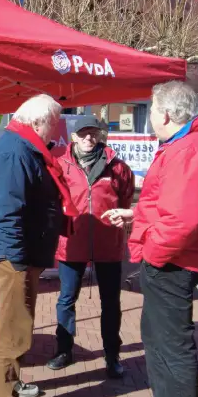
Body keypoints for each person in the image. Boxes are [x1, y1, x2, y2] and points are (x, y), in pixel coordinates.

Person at [103, 82, 198, 397]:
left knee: (172, 342)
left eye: (151, 110)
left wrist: (153, 253)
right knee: (156, 335)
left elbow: (182, 221)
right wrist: (135, 215)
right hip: (180, 255)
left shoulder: (188, 149)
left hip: (173, 260)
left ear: (166, 114)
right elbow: (174, 206)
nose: (150, 119)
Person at [0, 94, 78, 397]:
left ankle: (13, 382)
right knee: (14, 328)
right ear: (38, 121)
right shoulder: (14, 151)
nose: (57, 130)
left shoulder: (22, 146)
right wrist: (19, 259)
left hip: (21, 252)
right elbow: (9, 211)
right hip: (14, 253)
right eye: (54, 122)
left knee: (20, 322)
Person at [48, 117, 134, 379]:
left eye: (93, 134)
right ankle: (64, 350)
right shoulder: (60, 163)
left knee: (111, 302)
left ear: (100, 136)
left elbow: (127, 199)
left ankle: (112, 355)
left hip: (108, 243)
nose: (89, 138)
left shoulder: (118, 167)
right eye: (83, 133)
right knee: (66, 298)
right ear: (73, 137)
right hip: (71, 242)